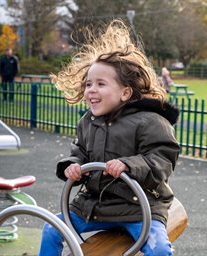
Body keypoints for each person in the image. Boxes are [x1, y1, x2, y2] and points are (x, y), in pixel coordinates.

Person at [39, 19, 180, 256]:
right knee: (51, 229)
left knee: (159, 249)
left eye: (100, 84)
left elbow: (162, 159)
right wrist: (73, 166)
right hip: (96, 206)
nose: (91, 90)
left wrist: (128, 164)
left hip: (139, 207)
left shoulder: (150, 121)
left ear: (125, 92)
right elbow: (80, 152)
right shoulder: (88, 121)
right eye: (89, 84)